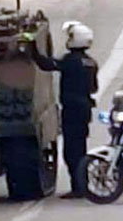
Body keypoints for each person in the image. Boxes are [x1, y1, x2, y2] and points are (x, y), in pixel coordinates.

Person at [28, 21, 99, 199]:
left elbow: (46, 64)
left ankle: (78, 187)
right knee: (80, 148)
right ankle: (83, 185)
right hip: (84, 109)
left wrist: (32, 50)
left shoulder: (71, 61)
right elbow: (94, 88)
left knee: (71, 151)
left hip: (72, 109)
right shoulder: (91, 62)